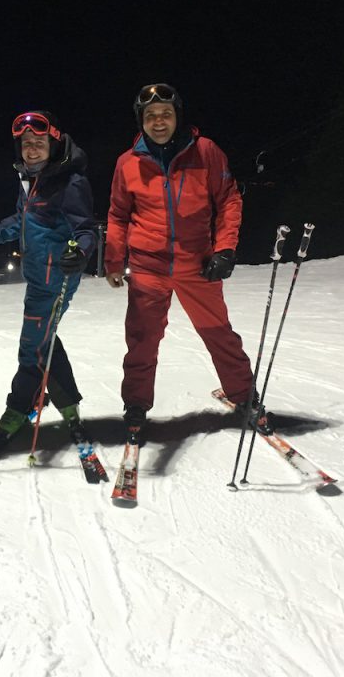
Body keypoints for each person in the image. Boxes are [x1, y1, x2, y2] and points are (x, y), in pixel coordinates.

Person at [105, 83, 266, 438]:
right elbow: (118, 214)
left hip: (198, 264)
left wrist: (225, 249)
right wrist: (114, 260)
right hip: (148, 267)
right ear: (141, 120)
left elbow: (228, 200)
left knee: (218, 333)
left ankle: (244, 395)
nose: (158, 122)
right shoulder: (128, 163)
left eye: (165, 114)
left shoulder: (205, 152)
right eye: (150, 116)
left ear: (178, 116)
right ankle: (136, 405)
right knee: (142, 339)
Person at [0, 111, 96, 442]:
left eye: (39, 142)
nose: (32, 148)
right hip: (38, 276)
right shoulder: (30, 179)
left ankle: (20, 406)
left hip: (57, 278)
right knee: (44, 339)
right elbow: (20, 221)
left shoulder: (69, 182)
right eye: (26, 143)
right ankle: (67, 404)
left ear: (53, 144)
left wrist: (80, 253)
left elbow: (86, 230)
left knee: (32, 344)